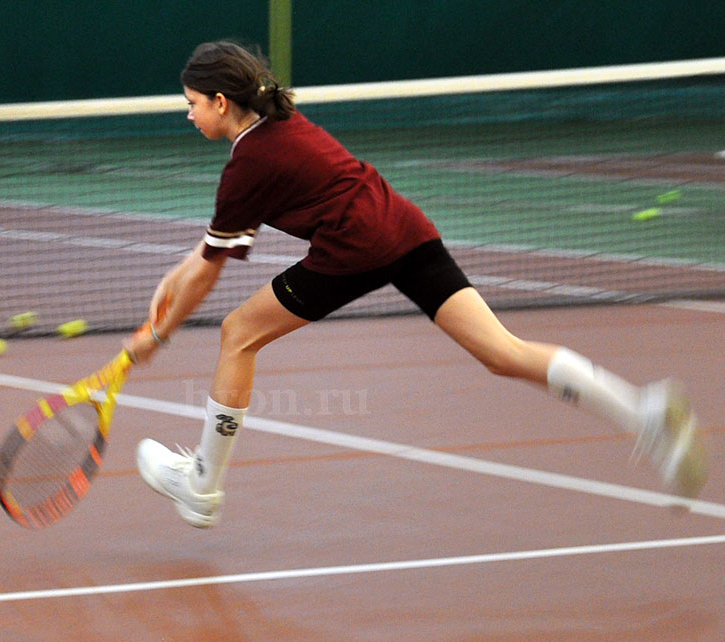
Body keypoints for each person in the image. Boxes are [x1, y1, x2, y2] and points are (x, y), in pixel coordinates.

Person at [125, 41, 708, 528]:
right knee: (503, 353)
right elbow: (206, 254)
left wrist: (159, 334)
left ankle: (202, 486)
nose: (189, 114)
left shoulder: (248, 164)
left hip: (354, 250)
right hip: (406, 229)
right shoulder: (279, 127)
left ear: (221, 102)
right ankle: (643, 413)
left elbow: (210, 268)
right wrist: (171, 282)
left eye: (193, 104)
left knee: (239, 334)